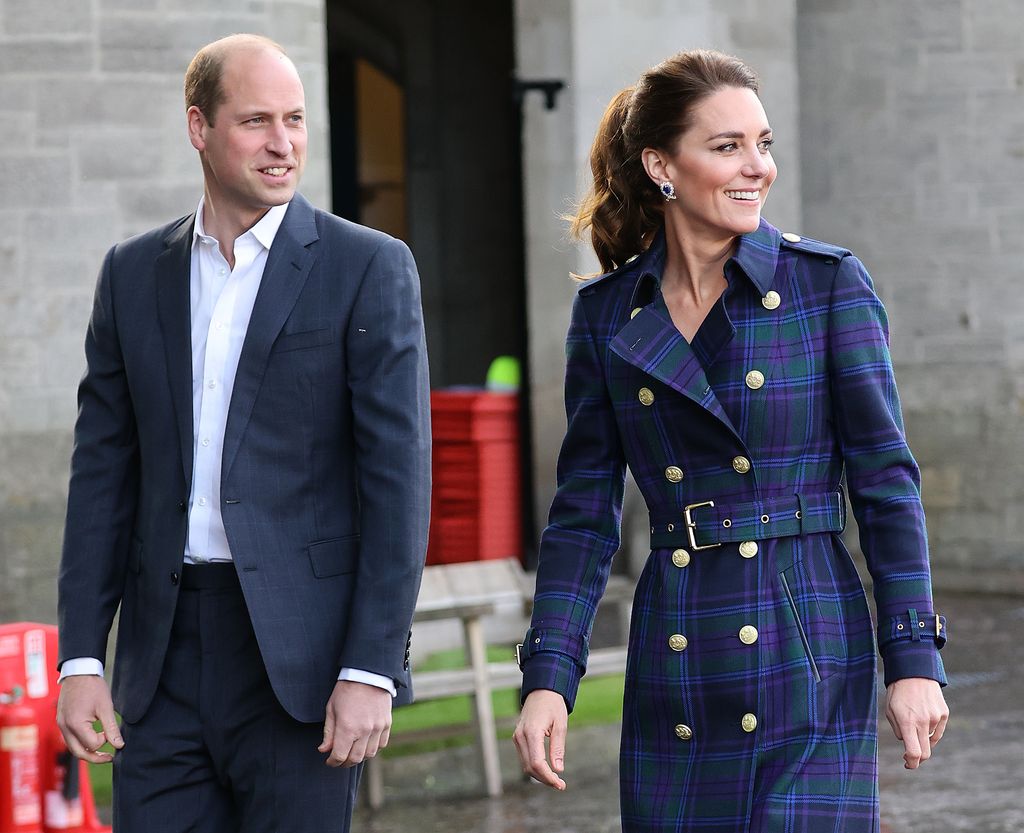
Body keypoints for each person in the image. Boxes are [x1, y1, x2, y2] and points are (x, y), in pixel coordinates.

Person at [513, 49, 949, 832]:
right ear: (661, 165)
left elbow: (886, 483)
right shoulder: (610, 316)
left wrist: (913, 656)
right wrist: (549, 670)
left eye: (764, 143)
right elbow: (582, 512)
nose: (759, 167)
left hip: (806, 643)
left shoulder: (826, 286)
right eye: (728, 147)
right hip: (678, 655)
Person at [55, 34, 431, 833]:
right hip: (160, 666)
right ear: (199, 126)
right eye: (256, 120)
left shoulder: (367, 266)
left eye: (295, 119)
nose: (284, 142)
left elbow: (398, 485)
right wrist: (83, 656)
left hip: (301, 665)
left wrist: (372, 666)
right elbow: (101, 476)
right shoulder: (131, 274)